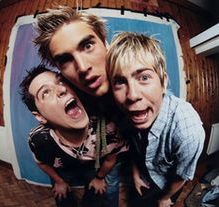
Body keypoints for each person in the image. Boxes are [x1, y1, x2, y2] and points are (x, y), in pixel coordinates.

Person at [33, 6, 128, 206]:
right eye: (66, 59)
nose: (83, 67)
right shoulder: (69, 97)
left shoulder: (135, 88)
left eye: (87, 46)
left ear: (106, 44)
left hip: (113, 158)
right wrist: (59, 180)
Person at [106, 32, 205, 207]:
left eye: (144, 78)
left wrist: (165, 198)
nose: (132, 95)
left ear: (163, 82)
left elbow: (181, 175)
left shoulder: (188, 130)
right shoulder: (126, 111)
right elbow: (132, 143)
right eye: (120, 82)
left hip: (167, 185)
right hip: (143, 174)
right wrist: (136, 173)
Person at [19, 65, 127, 207]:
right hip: (64, 169)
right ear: (39, 117)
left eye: (61, 81)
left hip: (92, 165)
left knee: (95, 195)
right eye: (45, 92)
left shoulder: (108, 130)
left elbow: (110, 159)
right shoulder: (39, 140)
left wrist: (99, 178)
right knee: (62, 198)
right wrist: (58, 181)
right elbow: (42, 162)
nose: (62, 89)